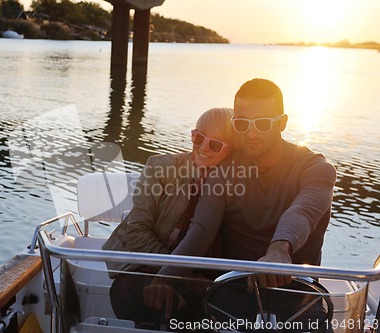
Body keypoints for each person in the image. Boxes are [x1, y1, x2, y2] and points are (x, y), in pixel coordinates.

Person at [146, 78, 336, 332]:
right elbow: (200, 231)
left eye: (263, 124)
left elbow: (303, 211)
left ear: (282, 123)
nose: (251, 133)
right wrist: (164, 278)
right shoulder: (223, 172)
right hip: (234, 287)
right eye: (242, 124)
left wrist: (279, 249)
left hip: (297, 290)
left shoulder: (315, 168)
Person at [102, 107, 236, 329]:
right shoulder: (161, 167)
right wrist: (181, 274)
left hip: (206, 276)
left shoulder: (238, 181)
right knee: (132, 293)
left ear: (233, 149)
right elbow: (136, 232)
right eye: (198, 138)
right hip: (149, 265)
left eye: (215, 144)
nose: (203, 148)